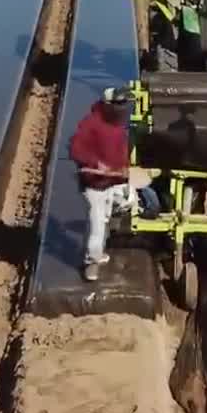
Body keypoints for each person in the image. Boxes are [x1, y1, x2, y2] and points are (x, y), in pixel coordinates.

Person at [68, 86, 137, 281]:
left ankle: (112, 219)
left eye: (126, 104)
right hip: (96, 185)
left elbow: (121, 152)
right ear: (109, 105)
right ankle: (92, 262)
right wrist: (95, 163)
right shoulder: (90, 124)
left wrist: (124, 168)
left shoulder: (119, 125)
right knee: (96, 225)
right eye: (120, 104)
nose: (124, 108)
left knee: (130, 199)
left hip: (115, 181)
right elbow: (75, 150)